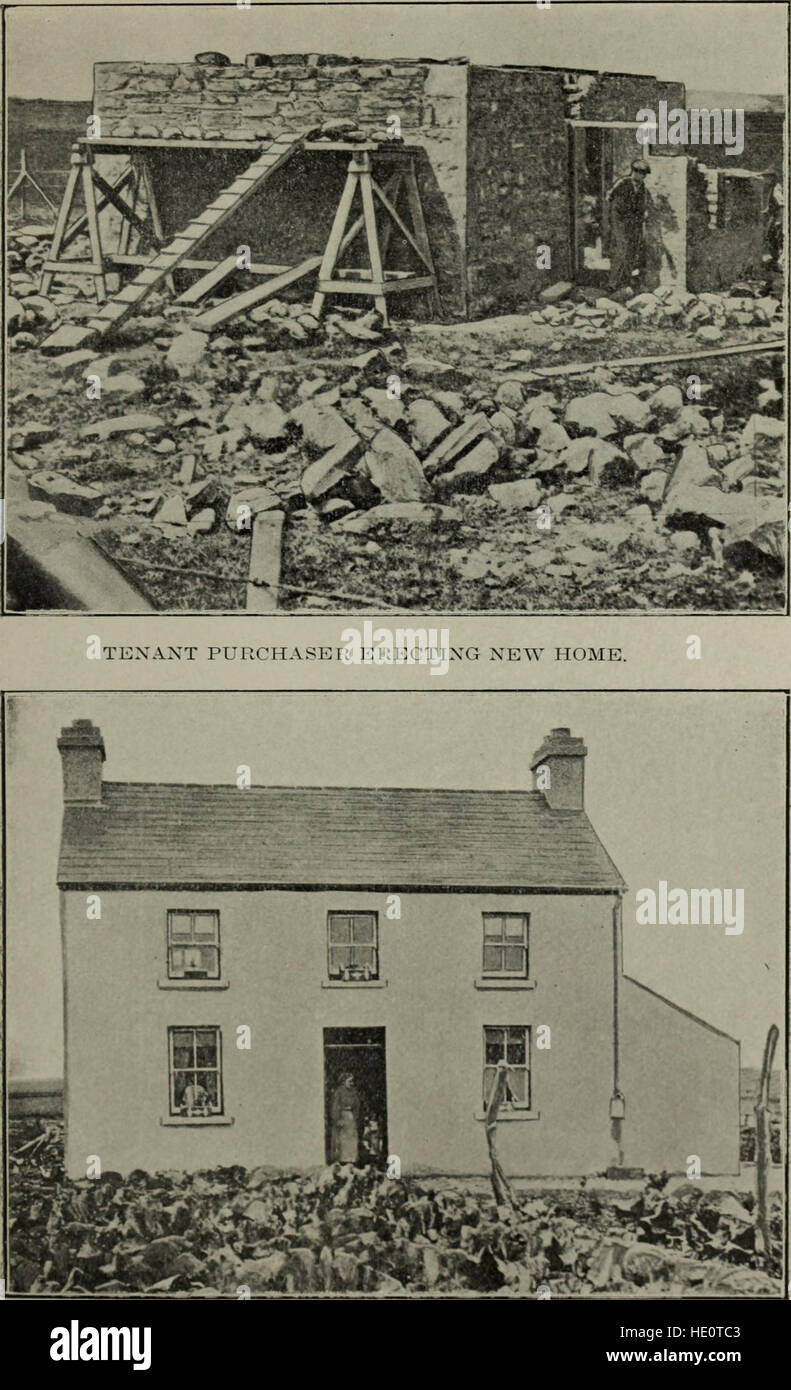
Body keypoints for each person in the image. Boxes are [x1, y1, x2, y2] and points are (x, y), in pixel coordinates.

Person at [605, 159, 650, 292]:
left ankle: (625, 281)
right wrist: (611, 219)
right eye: (640, 173)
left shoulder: (642, 187)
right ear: (634, 172)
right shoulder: (623, 182)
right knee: (621, 249)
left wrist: (642, 214)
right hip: (619, 221)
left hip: (632, 222)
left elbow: (641, 204)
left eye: (644, 174)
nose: (642, 176)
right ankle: (612, 283)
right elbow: (609, 197)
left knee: (632, 250)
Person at [330, 1073, 361, 1163]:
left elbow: (357, 1105)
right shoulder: (339, 1092)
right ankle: (343, 1160)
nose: (352, 1083)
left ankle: (352, 1159)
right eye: (349, 1081)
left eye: (352, 1081)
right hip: (342, 1116)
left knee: (352, 1138)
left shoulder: (353, 1092)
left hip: (350, 1117)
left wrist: (355, 1116)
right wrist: (338, 1119)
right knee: (342, 1138)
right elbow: (335, 1106)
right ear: (344, 1082)